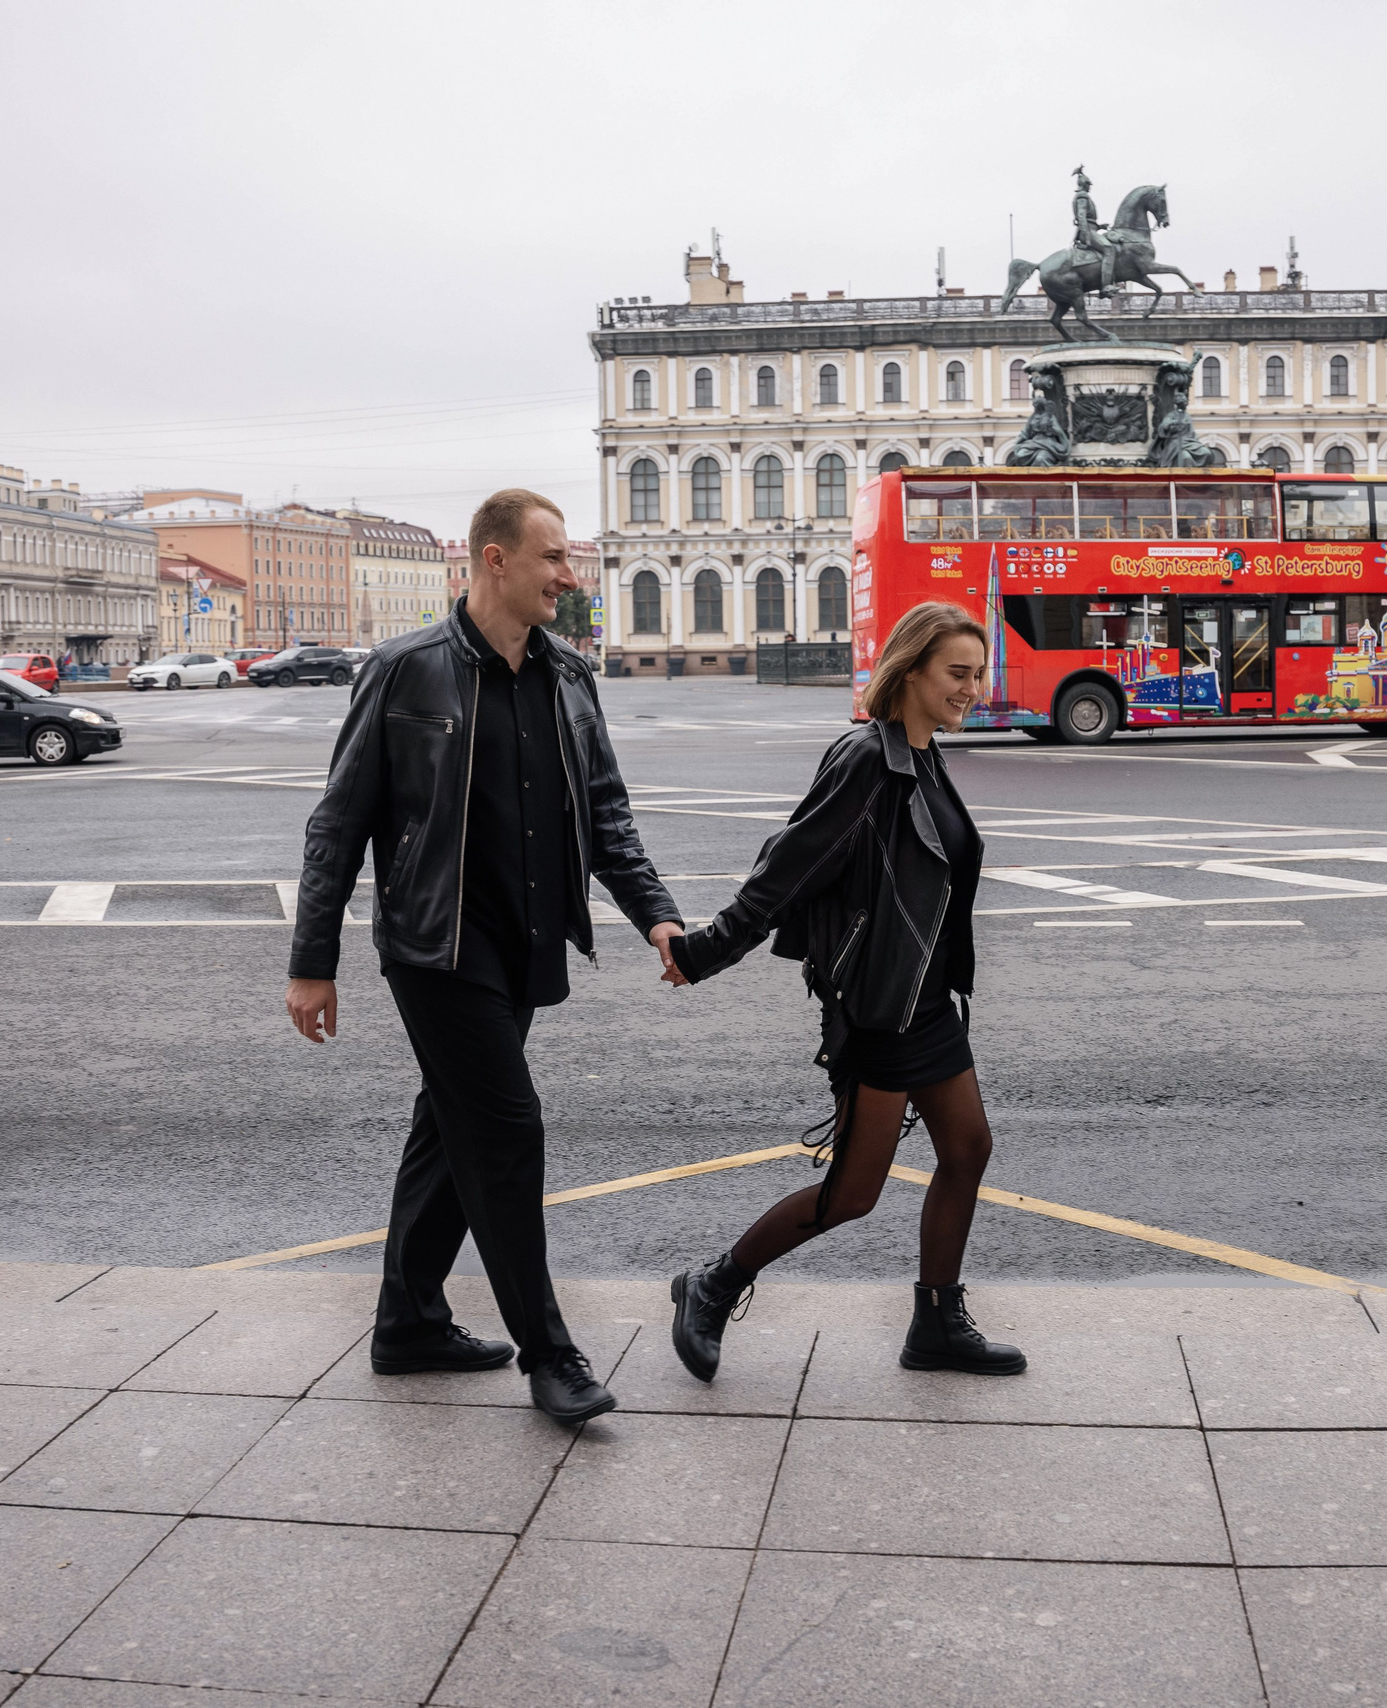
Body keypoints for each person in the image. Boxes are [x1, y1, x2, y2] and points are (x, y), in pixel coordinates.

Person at [285, 488, 686, 1425]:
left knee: (450, 1129)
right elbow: (337, 825)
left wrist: (656, 917)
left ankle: (409, 1322)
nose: (568, 575)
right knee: (505, 1132)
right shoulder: (405, 671)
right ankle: (550, 1354)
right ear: (495, 559)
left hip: (528, 945)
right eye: (552, 558)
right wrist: (314, 961)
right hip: (437, 948)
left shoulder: (568, 678)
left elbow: (609, 818)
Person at [660, 602, 1025, 1384]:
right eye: (957, 674)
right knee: (854, 1193)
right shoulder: (868, 758)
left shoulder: (924, 757)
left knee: (968, 1148)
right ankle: (713, 1284)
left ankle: (936, 1321)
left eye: (976, 673)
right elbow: (787, 866)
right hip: (879, 1007)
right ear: (911, 670)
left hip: (925, 1002)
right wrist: (702, 952)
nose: (972, 689)